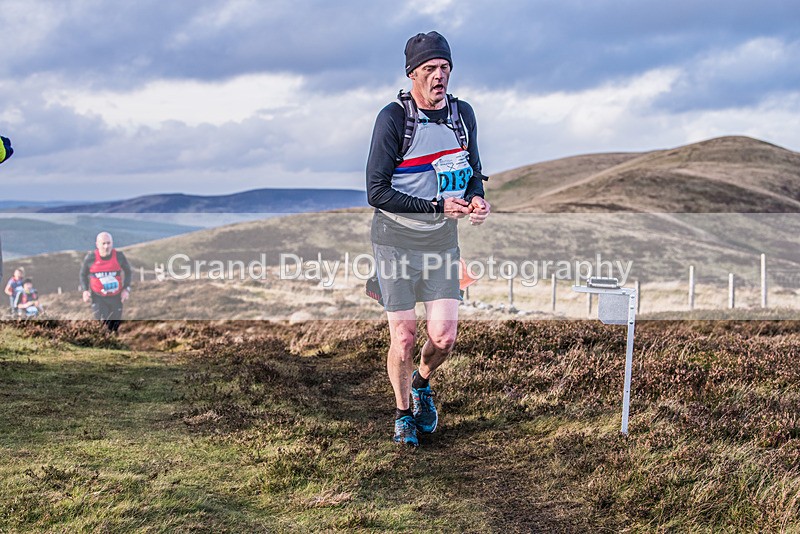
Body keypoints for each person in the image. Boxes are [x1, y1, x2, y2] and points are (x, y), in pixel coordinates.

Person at [366, 31, 491, 446]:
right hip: (394, 241)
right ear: (412, 74)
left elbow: (472, 170)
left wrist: (476, 198)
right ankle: (403, 414)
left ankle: (421, 384)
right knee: (402, 337)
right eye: (430, 69)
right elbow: (376, 192)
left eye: (445, 68)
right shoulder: (393, 119)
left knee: (443, 337)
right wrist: (439, 206)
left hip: (441, 243)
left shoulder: (462, 115)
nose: (440, 76)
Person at [79, 232, 132, 332]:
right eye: (103, 243)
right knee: (103, 325)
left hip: (116, 297)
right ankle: (103, 343)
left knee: (114, 327)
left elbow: (128, 272)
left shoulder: (119, 256)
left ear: (112, 243)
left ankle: (113, 345)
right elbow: (83, 274)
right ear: (97, 244)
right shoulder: (91, 258)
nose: (106, 246)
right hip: (98, 297)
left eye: (109, 243)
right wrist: (85, 290)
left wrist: (126, 289)